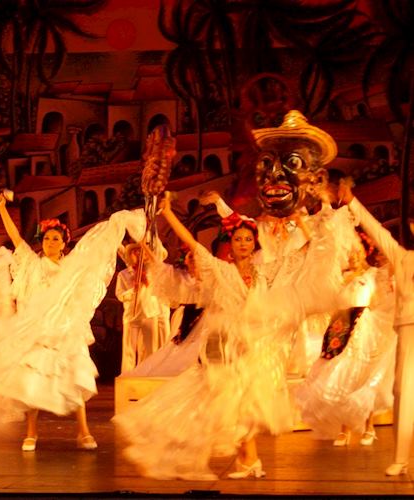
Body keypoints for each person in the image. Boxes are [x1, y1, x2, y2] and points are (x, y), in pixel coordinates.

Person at [114, 190, 344, 480]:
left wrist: (304, 219)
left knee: (240, 403)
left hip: (252, 348)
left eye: (249, 239)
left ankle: (249, 460)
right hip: (223, 347)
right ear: (231, 244)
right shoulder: (219, 270)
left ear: (253, 243)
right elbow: (190, 242)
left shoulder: (266, 272)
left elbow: (306, 252)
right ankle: (248, 460)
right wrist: (169, 212)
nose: (245, 243)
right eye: (239, 239)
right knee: (217, 401)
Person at [0, 193, 145, 452]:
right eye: (48, 238)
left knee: (74, 376)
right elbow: (16, 238)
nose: (51, 241)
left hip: (66, 329)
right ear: (43, 242)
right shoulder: (32, 263)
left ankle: (83, 432)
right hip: (39, 332)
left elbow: (95, 256)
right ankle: (31, 433)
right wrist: (2, 209)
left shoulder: (71, 268)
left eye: (57, 238)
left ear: (64, 243)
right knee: (32, 381)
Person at [339, 180, 414, 476]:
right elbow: (377, 231)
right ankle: (400, 458)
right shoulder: (403, 257)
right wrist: (352, 201)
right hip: (409, 328)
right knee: (403, 390)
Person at [294, 235, 396, 447]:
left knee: (362, 376)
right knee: (341, 376)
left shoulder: (372, 275)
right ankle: (345, 428)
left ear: (365, 251)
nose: (354, 256)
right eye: (350, 253)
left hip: (363, 328)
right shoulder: (340, 278)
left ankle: (369, 427)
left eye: (358, 251)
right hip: (341, 329)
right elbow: (335, 305)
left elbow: (377, 301)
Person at [115, 243, 171, 372]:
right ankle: (127, 374)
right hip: (131, 315)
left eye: (141, 251)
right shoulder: (124, 274)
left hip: (150, 313)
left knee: (149, 348)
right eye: (135, 252)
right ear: (129, 255)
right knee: (129, 348)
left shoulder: (152, 271)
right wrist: (132, 290)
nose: (139, 254)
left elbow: (160, 255)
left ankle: (146, 373)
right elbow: (120, 295)